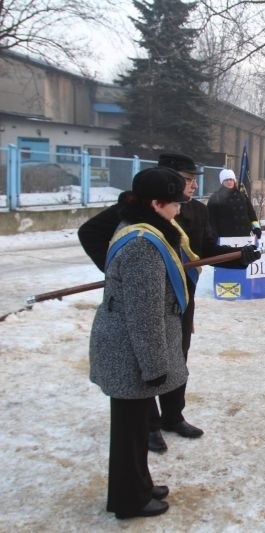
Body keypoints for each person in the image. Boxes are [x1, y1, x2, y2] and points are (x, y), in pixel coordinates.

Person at [78, 153, 261, 453]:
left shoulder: (198, 211)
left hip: (181, 296)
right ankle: (148, 425)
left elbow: (206, 248)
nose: (191, 186)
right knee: (148, 359)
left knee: (177, 355)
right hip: (145, 300)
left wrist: (239, 258)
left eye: (192, 181)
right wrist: (118, 275)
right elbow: (90, 233)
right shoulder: (137, 206)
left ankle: (173, 416)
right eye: (186, 181)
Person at [89, 167, 190, 519]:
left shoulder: (141, 228)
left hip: (126, 347)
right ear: (156, 203)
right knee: (130, 433)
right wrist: (155, 368)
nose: (179, 209)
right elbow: (144, 316)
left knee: (131, 429)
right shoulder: (143, 245)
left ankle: (139, 485)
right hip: (129, 352)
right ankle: (129, 499)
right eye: (175, 203)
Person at [207, 168, 262, 238]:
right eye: (226, 180)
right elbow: (211, 219)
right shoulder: (215, 197)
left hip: (245, 237)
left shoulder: (243, 196)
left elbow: (251, 214)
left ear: (234, 181)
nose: (229, 182)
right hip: (225, 238)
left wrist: (256, 228)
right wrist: (213, 234)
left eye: (231, 179)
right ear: (222, 182)